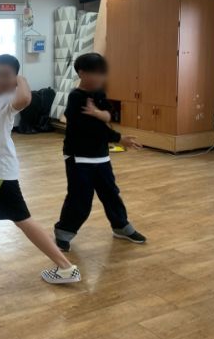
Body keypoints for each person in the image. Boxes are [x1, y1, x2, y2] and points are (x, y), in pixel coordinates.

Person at [0, 54, 81, 284]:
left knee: (22, 219)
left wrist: (19, 79)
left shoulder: (11, 99)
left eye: (5, 75)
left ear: (15, 78)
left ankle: (66, 268)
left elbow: (26, 98)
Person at [54, 53, 146, 252]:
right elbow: (90, 128)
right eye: (95, 73)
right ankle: (63, 232)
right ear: (81, 73)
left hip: (101, 156)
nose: (100, 77)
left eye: (102, 73)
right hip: (79, 157)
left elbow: (108, 115)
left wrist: (98, 113)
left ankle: (121, 226)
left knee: (111, 193)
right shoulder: (76, 97)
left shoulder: (100, 94)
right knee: (80, 198)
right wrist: (118, 138)